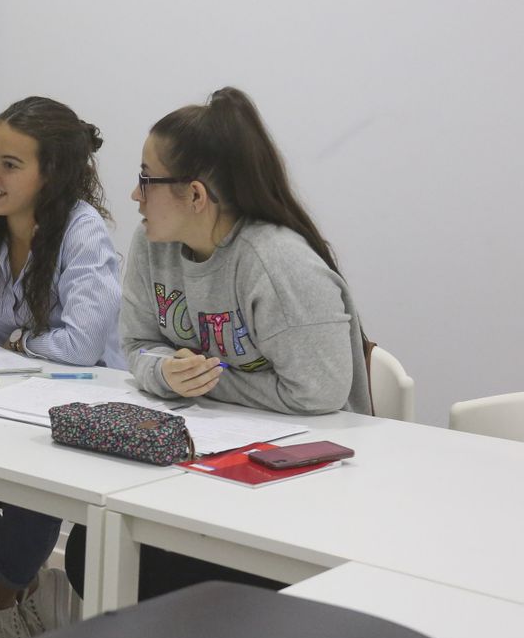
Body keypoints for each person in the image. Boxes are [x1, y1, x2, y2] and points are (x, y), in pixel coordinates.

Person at [64, 86, 372, 601]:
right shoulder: (152, 245)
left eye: (145, 179)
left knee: (152, 567)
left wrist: (205, 386)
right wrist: (164, 374)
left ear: (196, 195)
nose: (134, 196)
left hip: (297, 482)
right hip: (209, 456)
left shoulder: (277, 264)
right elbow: (138, 341)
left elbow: (318, 394)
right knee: (90, 546)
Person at [0, 96, 123, 638]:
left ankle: (8, 596)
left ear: (50, 173)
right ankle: (19, 584)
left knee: (35, 491)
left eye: (10, 165)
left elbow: (82, 347)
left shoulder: (82, 232)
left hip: (84, 401)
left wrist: (10, 341)